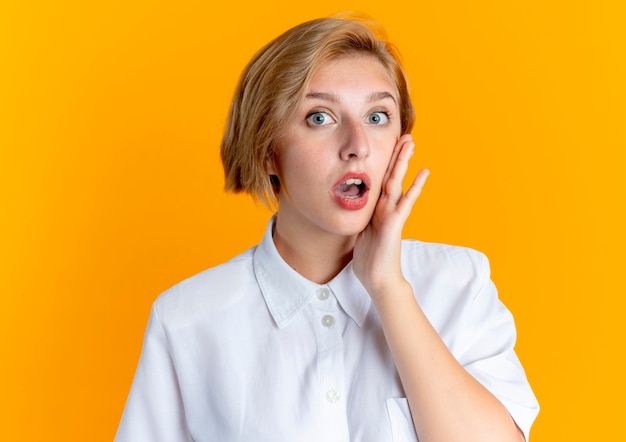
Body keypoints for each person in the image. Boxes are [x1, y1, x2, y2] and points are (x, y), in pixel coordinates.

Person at [115, 14, 539, 442]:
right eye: (320, 117)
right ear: (267, 151)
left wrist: (387, 286)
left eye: (377, 117)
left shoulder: (458, 284)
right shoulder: (187, 320)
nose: (357, 146)